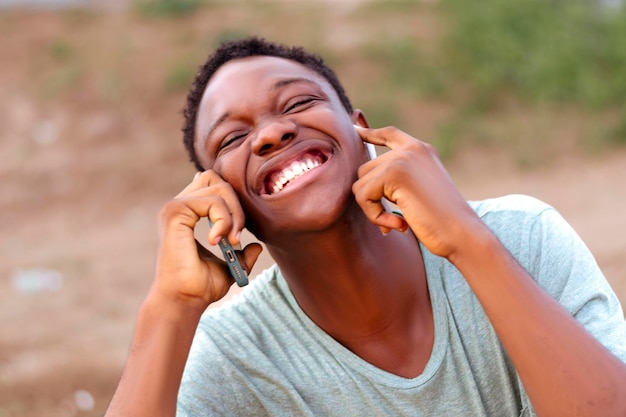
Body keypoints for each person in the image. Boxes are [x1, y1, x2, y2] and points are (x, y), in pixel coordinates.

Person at [105, 37, 626, 417]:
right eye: (232, 139)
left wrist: (468, 240)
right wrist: (169, 311)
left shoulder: (520, 238)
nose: (272, 133)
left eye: (299, 103)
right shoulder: (238, 359)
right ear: (219, 199)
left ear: (362, 131)